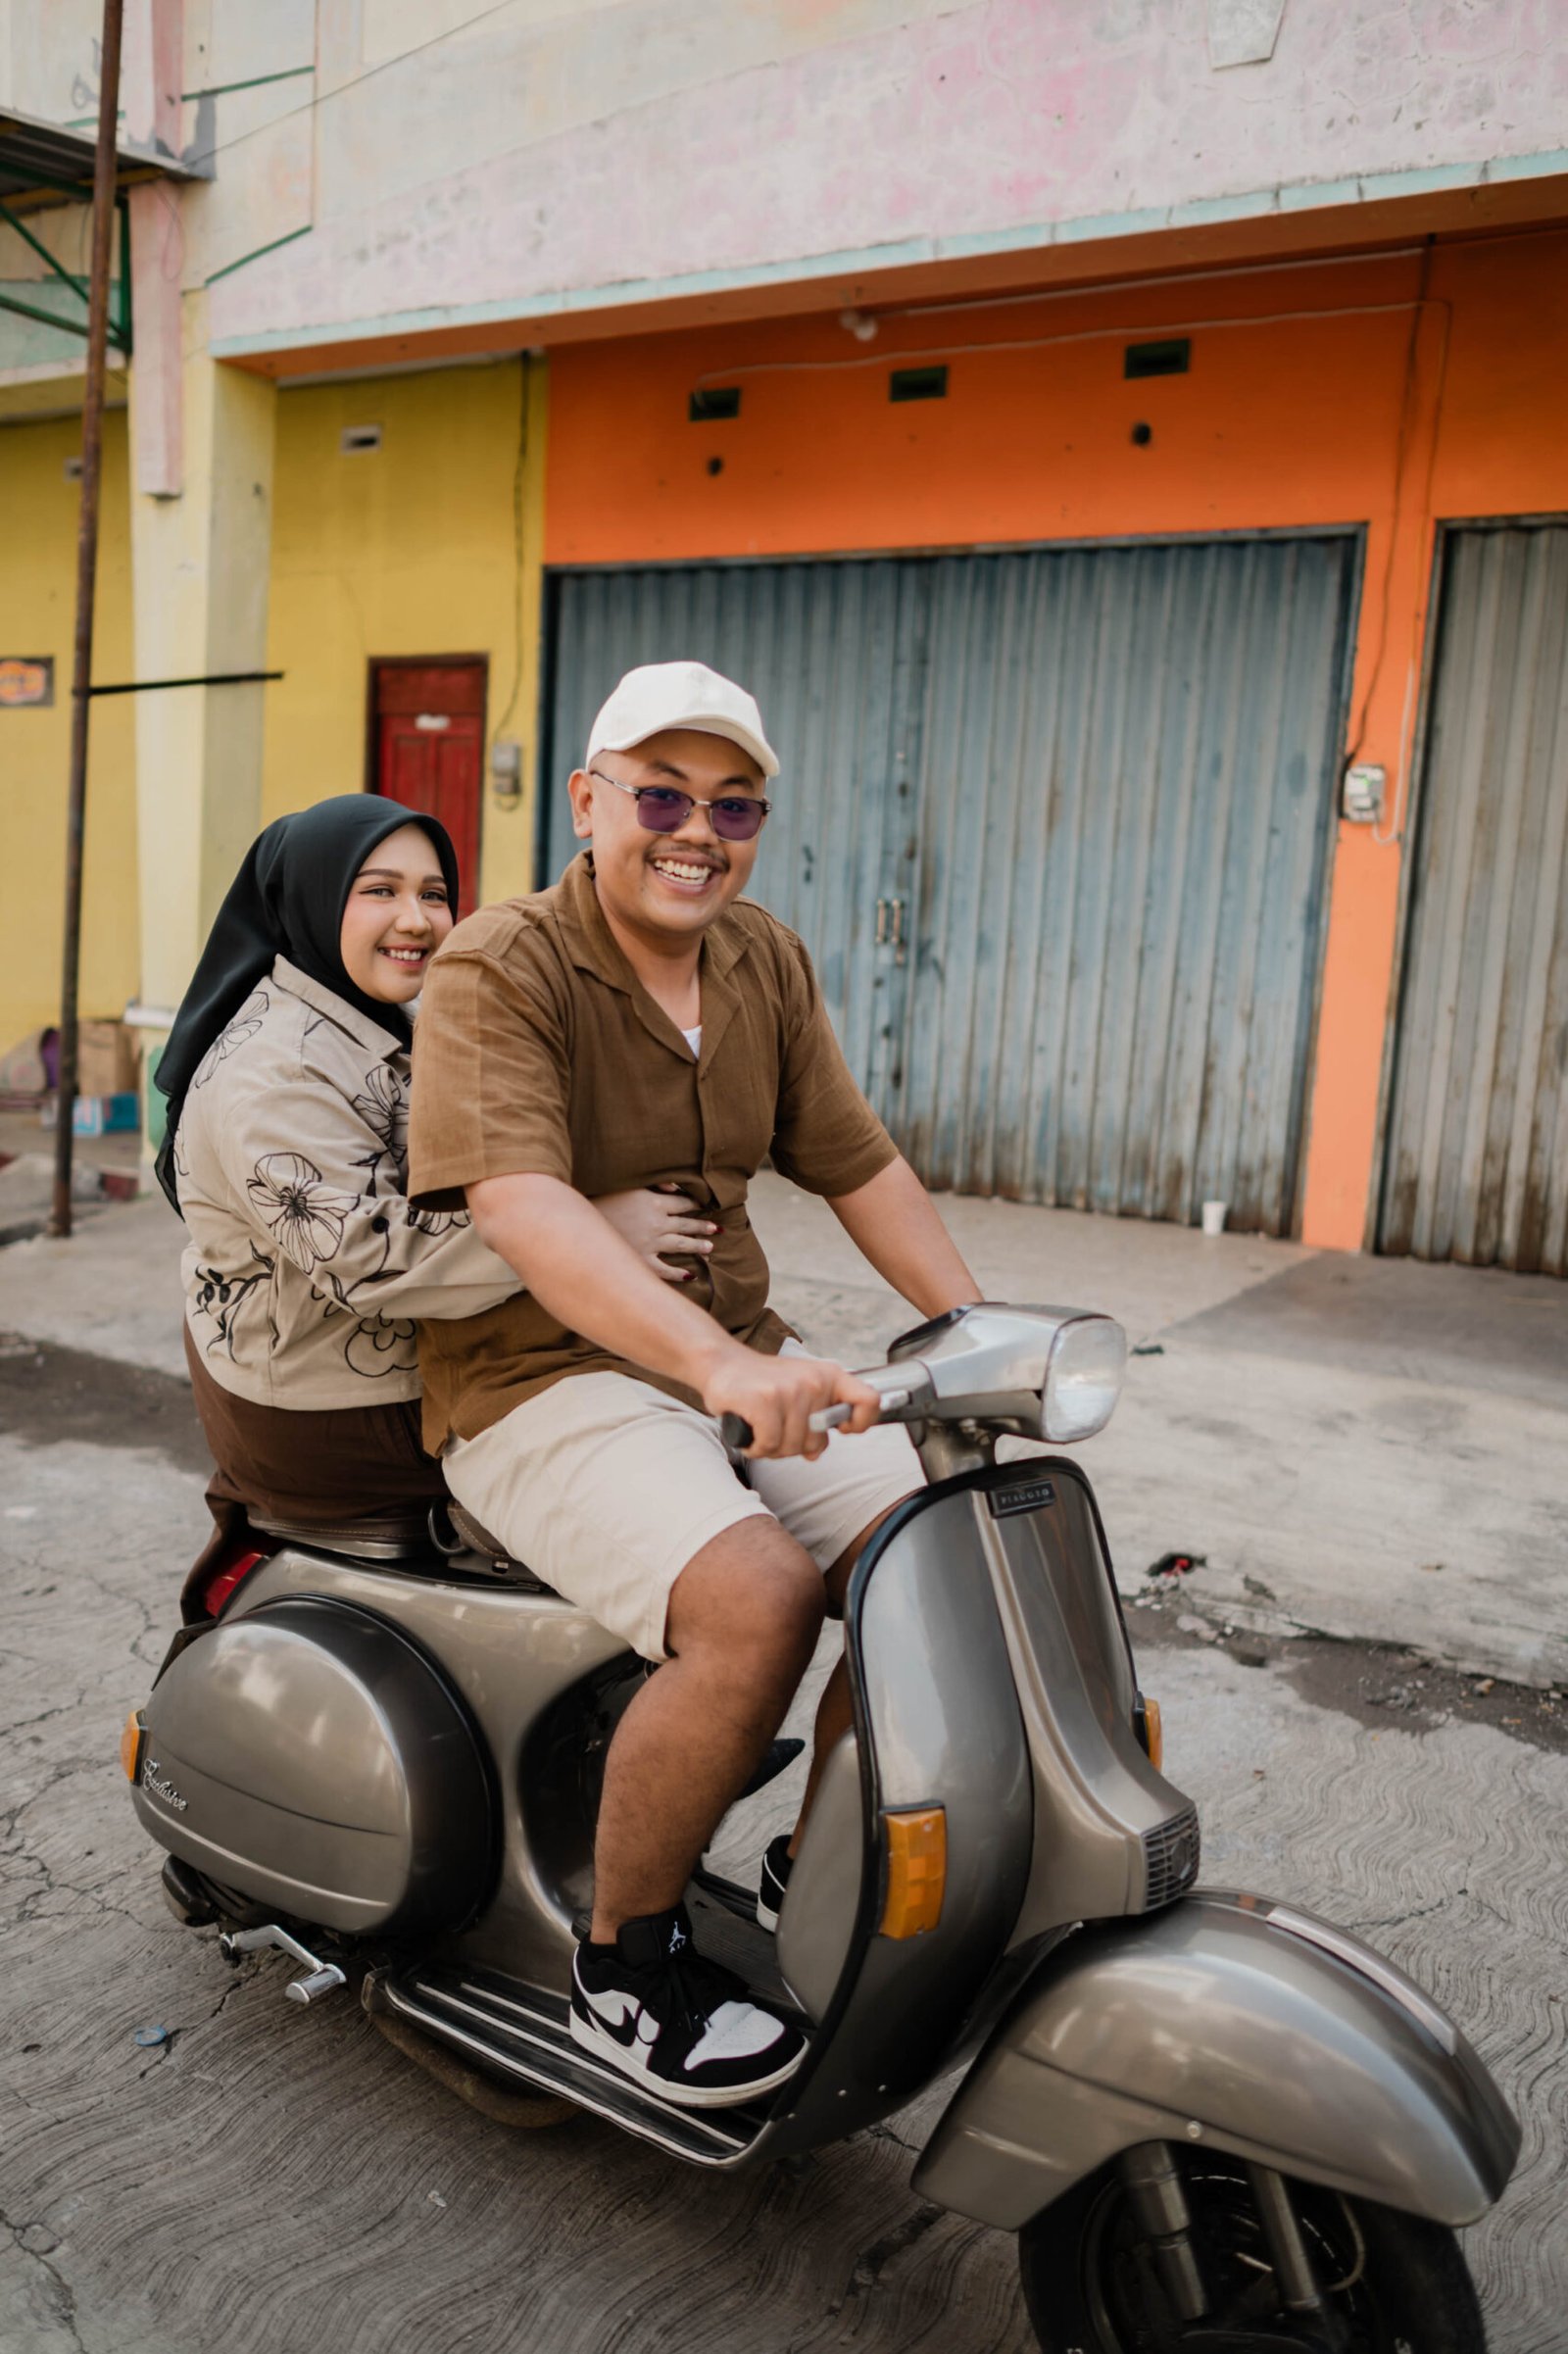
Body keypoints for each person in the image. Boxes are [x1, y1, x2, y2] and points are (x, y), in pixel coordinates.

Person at [408, 662, 982, 2109]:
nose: (696, 833)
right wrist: (719, 1363)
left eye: (733, 807)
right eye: (660, 796)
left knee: (945, 1554)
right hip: (538, 1380)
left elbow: (855, 1160)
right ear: (587, 801)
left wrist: (977, 1327)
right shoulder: (501, 963)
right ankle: (625, 1962)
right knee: (759, 1600)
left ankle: (820, 1863)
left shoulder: (761, 960)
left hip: (731, 1353)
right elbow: (521, 1204)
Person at [158, 795, 703, 1592]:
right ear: (312, 898)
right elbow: (368, 1258)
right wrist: (589, 1230)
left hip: (381, 1353)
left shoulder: (388, 1010)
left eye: (434, 893)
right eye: (379, 890)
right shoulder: (271, 1073)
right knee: (634, 1460)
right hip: (325, 1403)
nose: (416, 919)